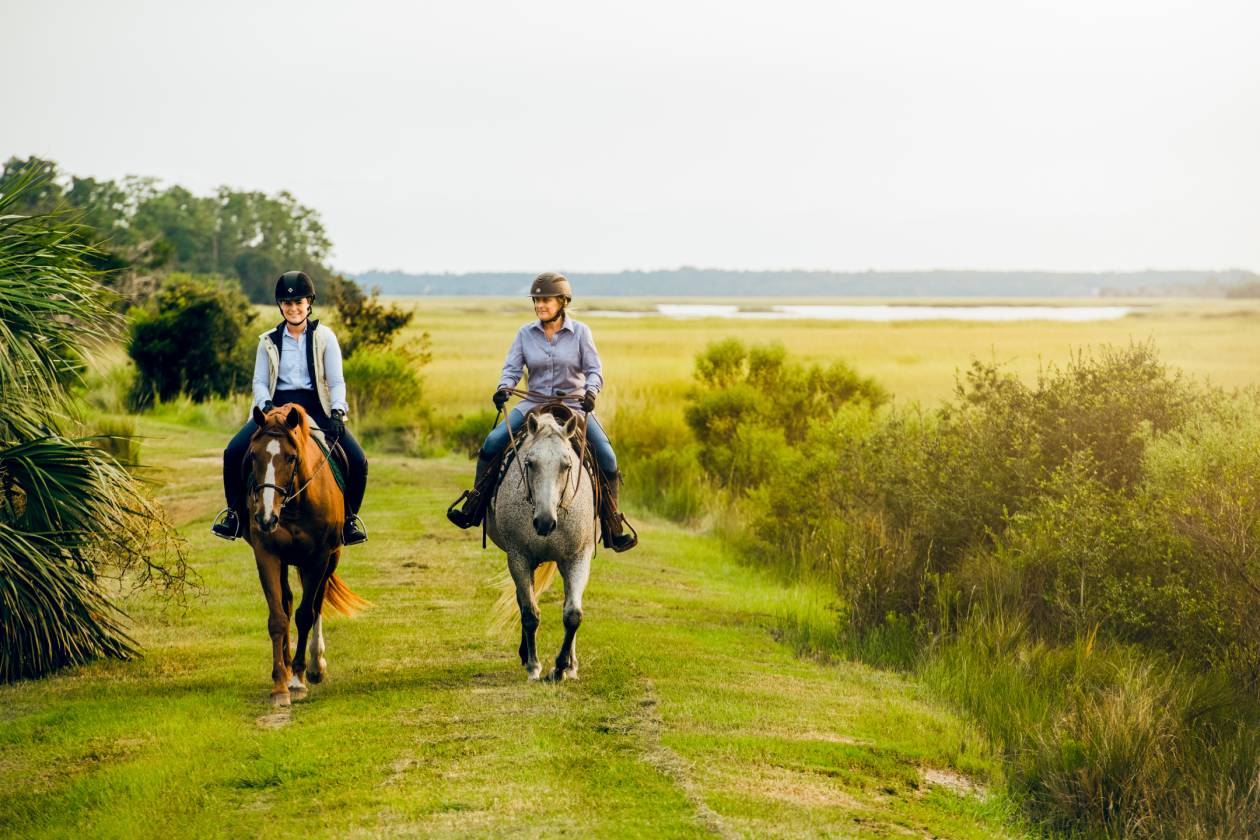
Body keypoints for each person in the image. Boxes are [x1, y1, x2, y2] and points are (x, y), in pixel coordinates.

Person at [446, 272, 637, 552]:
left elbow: (594, 370)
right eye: (536, 300)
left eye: (545, 300)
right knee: (492, 443)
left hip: (574, 406)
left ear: (562, 301)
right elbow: (511, 369)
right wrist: (504, 388)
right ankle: (473, 507)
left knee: (607, 456)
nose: (539, 305)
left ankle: (612, 526)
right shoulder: (525, 334)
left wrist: (591, 392)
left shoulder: (581, 332)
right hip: (532, 404)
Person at [211, 271, 369, 545]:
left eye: (299, 302)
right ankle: (234, 515)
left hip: (316, 407)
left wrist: (337, 412)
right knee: (233, 452)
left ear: (309, 304)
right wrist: (266, 405)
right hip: (276, 408)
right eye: (287, 303)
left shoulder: (325, 337)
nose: (293, 308)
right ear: (280, 306)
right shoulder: (267, 341)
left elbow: (336, 381)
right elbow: (260, 381)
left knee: (357, 460)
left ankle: (348, 520)